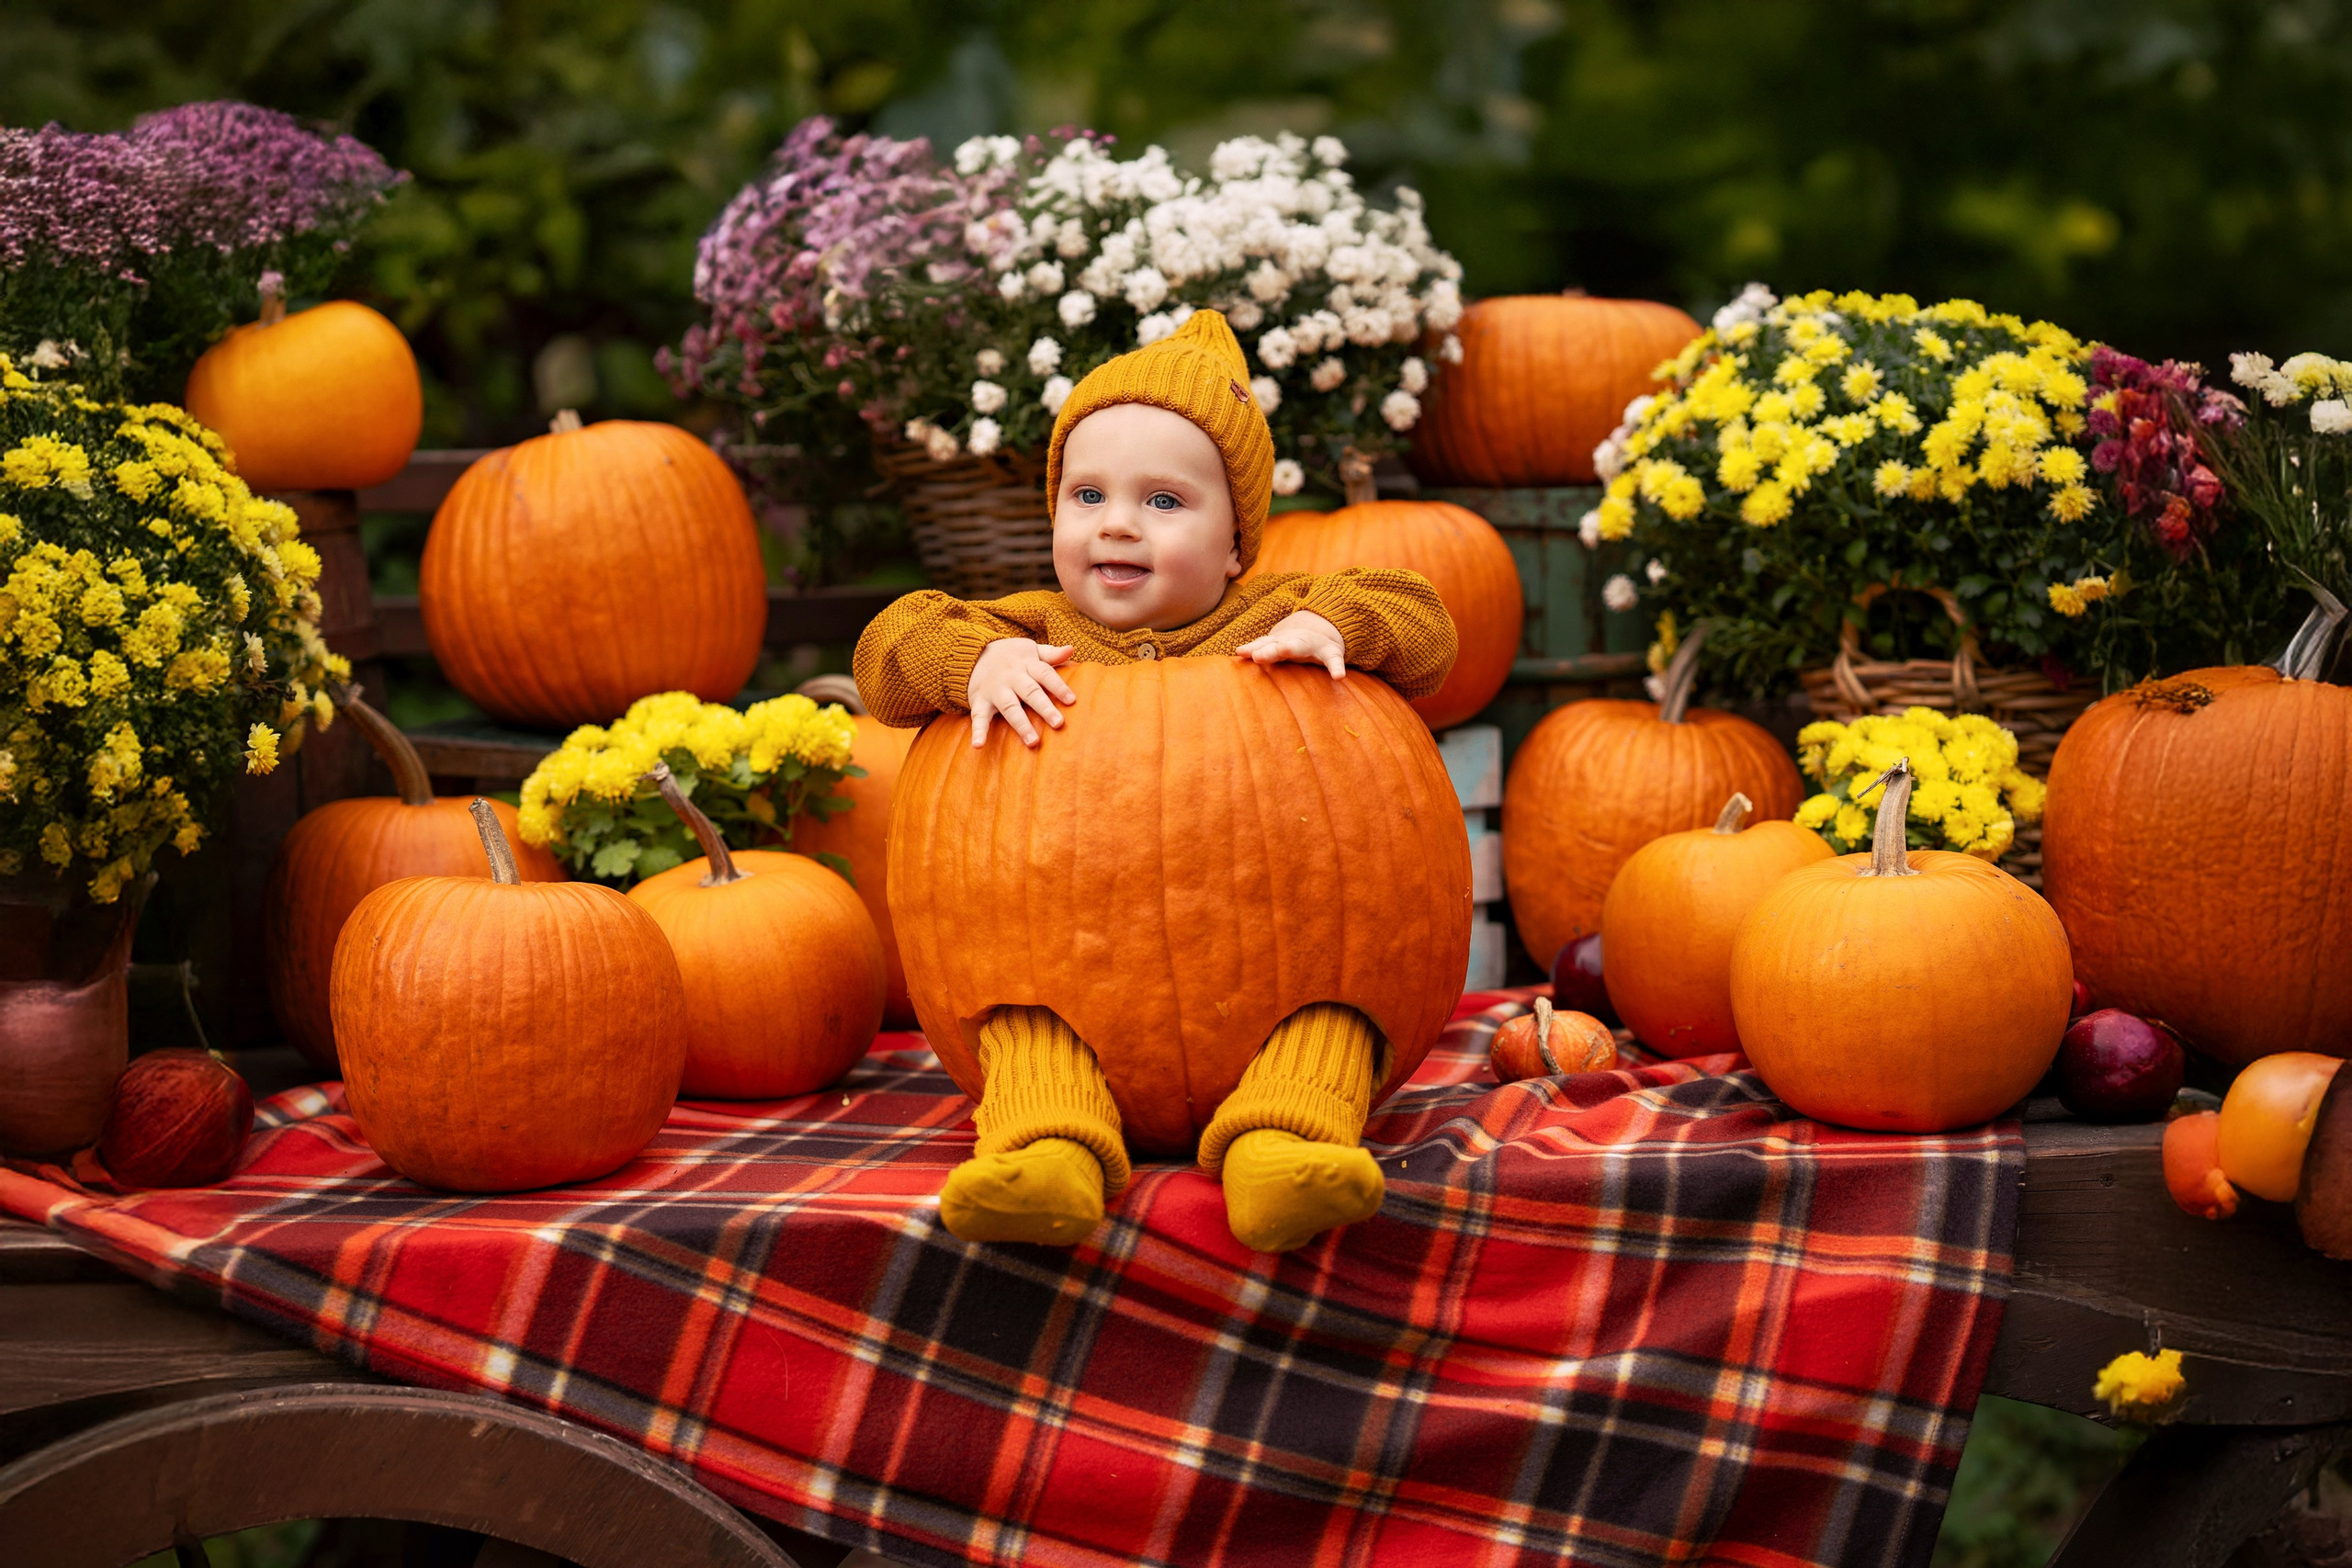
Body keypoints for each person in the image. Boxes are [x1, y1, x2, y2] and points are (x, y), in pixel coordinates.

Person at [853, 309, 1456, 1253]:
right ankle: (1045, 1149)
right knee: (1021, 1024)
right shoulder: (1027, 631)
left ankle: (1285, 1139)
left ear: (1234, 546)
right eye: (1086, 496)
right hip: (1057, 962)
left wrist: (1338, 631)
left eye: (1164, 502)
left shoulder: (1277, 612)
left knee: (1337, 1013)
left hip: (1284, 964)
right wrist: (972, 666)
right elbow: (891, 646)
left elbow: (1419, 617)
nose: (1118, 525)